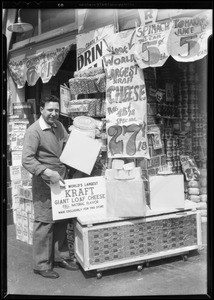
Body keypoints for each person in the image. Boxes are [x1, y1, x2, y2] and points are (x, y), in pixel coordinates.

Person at [22, 95, 79, 279]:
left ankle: (60, 256)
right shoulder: (34, 131)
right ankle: (41, 264)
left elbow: (69, 145)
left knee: (62, 219)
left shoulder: (59, 126)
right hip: (45, 182)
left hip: (61, 180)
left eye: (56, 110)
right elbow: (27, 159)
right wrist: (47, 172)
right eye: (50, 110)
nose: (54, 114)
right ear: (41, 109)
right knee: (45, 222)